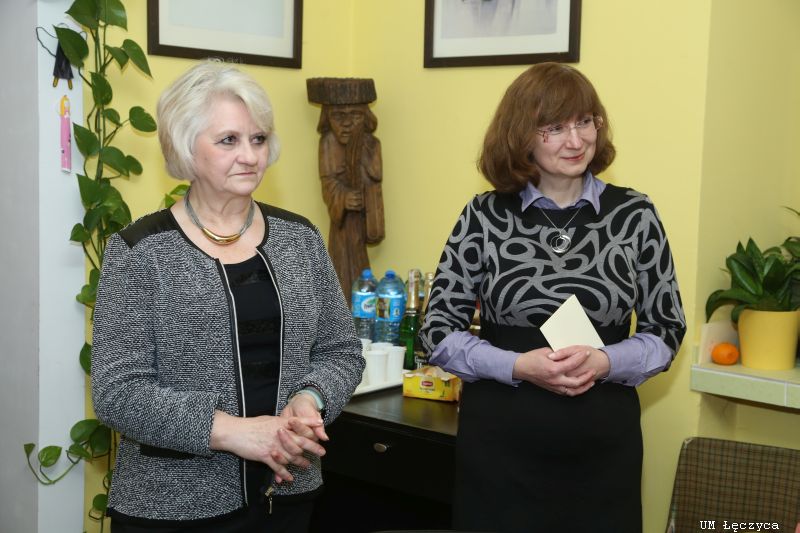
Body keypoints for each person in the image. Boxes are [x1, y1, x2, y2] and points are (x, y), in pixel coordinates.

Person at [91, 60, 364, 532]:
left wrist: (311, 397)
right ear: (185, 146)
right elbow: (118, 392)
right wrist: (235, 433)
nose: (250, 155)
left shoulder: (300, 239)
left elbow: (341, 350)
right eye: (228, 140)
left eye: (258, 139)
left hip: (287, 497)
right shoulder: (140, 251)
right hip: (174, 509)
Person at [418, 62, 686, 533]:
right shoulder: (484, 215)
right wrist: (519, 366)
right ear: (520, 135)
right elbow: (436, 332)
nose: (576, 140)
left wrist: (605, 361)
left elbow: (667, 330)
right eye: (555, 128)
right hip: (499, 455)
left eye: (585, 122)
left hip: (604, 457)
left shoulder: (635, 214)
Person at [308, 77, 385, 302]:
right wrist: (343, 197)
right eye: (339, 116)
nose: (347, 124)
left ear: (366, 117)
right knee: (339, 261)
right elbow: (328, 182)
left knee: (360, 260)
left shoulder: (372, 143)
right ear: (327, 117)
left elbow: (376, 177)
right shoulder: (327, 143)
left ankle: (362, 302)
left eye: (356, 115)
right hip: (341, 220)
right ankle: (338, 306)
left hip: (361, 216)